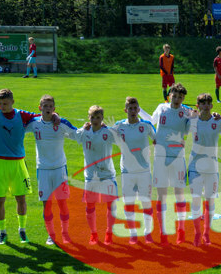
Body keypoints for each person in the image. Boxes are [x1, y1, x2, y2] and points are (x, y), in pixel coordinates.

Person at [0, 65, 45, 245]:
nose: (2, 107)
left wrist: (55, 115)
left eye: (5, 104)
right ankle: (2, 232)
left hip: (18, 163)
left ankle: (22, 230)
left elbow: (41, 116)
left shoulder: (22, 115)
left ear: (12, 101)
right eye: (0, 104)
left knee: (21, 199)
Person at [143, 85, 193, 244]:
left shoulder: (186, 112)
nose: (177, 99)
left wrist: (195, 117)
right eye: (175, 96)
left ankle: (181, 230)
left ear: (183, 98)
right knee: (161, 196)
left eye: (180, 97)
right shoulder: (161, 108)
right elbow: (151, 121)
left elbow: (190, 131)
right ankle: (163, 230)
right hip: (160, 156)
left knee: (179, 194)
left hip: (177, 156)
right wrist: (138, 110)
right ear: (170, 95)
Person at [26, 94, 79, 246]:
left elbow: (78, 134)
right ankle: (51, 235)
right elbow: (18, 129)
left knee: (62, 203)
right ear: (40, 108)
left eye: (50, 106)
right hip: (43, 170)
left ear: (54, 108)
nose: (47, 109)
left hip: (59, 169)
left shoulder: (62, 123)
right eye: (45, 106)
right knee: (47, 205)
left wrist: (92, 128)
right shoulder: (34, 123)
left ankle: (65, 233)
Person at [111, 97, 156, 243]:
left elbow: (157, 139)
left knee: (146, 203)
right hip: (127, 172)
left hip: (144, 172)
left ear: (138, 109)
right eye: (130, 108)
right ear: (125, 110)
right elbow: (103, 134)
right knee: (129, 204)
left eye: (135, 108)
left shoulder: (146, 125)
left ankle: (147, 232)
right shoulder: (119, 126)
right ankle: (133, 233)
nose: (132, 111)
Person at [74, 105, 117, 245]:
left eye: (98, 117)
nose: (95, 120)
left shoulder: (108, 132)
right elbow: (72, 134)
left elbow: (123, 139)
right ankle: (93, 233)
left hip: (107, 175)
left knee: (111, 205)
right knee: (90, 206)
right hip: (91, 176)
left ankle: (109, 233)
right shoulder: (84, 132)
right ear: (89, 118)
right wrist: (82, 128)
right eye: (92, 117)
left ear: (102, 118)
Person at [187, 94, 221, 246]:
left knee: (210, 201)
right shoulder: (191, 121)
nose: (206, 106)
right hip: (195, 168)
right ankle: (197, 233)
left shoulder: (218, 121)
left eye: (208, 103)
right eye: (203, 103)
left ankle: (206, 233)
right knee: (196, 200)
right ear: (198, 106)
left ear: (212, 106)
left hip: (211, 168)